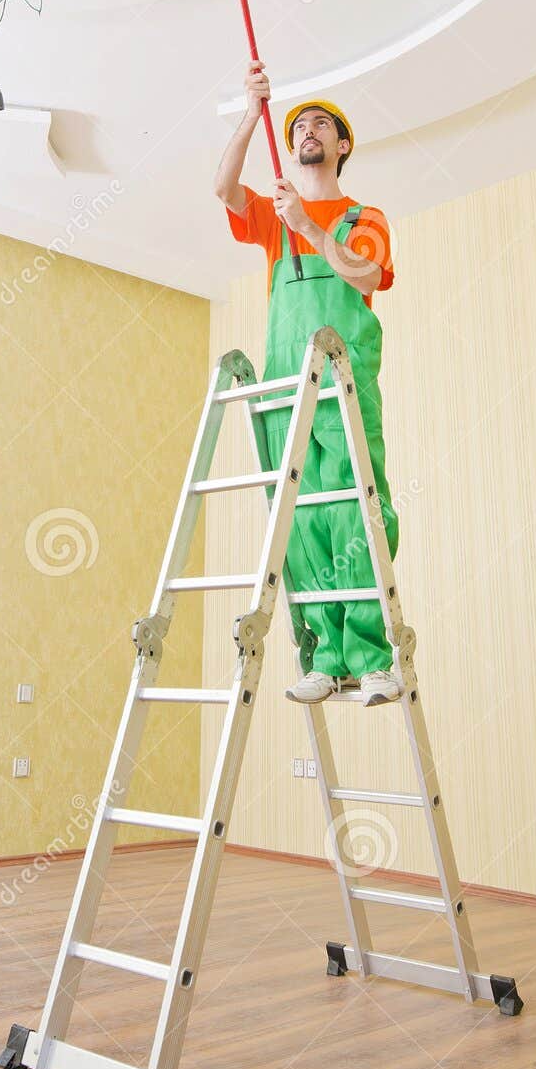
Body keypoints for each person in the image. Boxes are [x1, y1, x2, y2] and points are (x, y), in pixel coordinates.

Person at [213, 62, 402, 705]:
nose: (306, 131)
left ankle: (373, 657)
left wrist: (310, 228)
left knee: (357, 510)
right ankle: (326, 657)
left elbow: (367, 276)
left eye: (321, 124)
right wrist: (251, 113)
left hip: (344, 384)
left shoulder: (361, 216)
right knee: (300, 520)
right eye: (297, 127)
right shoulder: (273, 219)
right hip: (288, 387)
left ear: (342, 144)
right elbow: (223, 187)